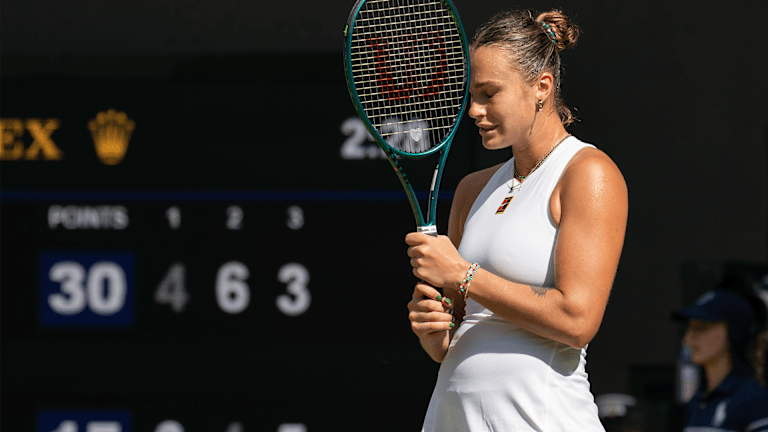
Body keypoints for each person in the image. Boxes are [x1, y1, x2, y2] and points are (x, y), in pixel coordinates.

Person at [405, 8, 628, 432]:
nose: (473, 110)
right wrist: (434, 332)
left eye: (489, 94)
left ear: (541, 86)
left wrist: (463, 274)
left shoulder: (588, 173)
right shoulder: (472, 189)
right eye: (472, 95)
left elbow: (578, 322)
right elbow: (457, 330)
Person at [672, 275, 768, 432]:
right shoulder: (696, 402)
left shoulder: (754, 399)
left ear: (731, 332)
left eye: (701, 327)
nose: (688, 339)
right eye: (689, 329)